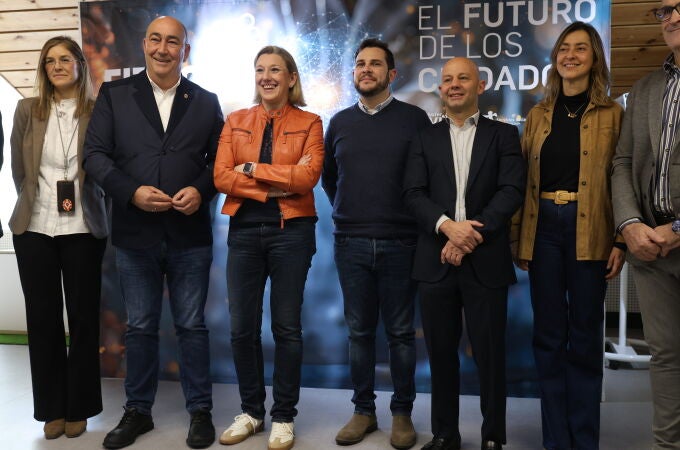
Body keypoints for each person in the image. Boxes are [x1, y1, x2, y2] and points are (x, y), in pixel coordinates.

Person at [83, 16, 224, 450]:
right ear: (144, 45)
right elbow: (94, 155)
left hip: (189, 234)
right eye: (157, 40)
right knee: (141, 326)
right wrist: (131, 193)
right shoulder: (114, 94)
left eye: (174, 42)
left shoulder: (205, 100)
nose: (164, 49)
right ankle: (137, 412)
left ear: (185, 50)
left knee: (192, 326)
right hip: (135, 232)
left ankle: (200, 411)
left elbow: (219, 163)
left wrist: (201, 192)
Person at [403, 57, 525, 450]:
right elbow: (413, 194)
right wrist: (448, 228)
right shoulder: (424, 138)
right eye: (448, 80)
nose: (454, 85)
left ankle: (493, 437)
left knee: (490, 355)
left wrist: (470, 234)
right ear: (441, 89)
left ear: (480, 85)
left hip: (484, 259)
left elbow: (510, 192)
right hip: (435, 260)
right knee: (441, 355)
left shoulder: (504, 135)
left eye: (463, 78)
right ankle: (445, 434)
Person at [513, 22, 625, 450]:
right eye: (563, 48)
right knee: (547, 335)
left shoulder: (614, 114)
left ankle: (584, 438)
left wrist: (619, 239)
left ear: (594, 57)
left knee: (583, 335)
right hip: (543, 230)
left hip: (590, 229)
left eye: (580, 48)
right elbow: (522, 180)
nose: (570, 55)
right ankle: (556, 439)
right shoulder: (538, 114)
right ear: (555, 58)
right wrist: (517, 238)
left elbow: (622, 177)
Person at [322, 38, 431, 450]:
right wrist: (351, 213)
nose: (366, 70)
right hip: (350, 241)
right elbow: (331, 179)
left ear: (391, 74)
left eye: (375, 64)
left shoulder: (415, 120)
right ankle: (363, 411)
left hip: (402, 242)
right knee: (359, 333)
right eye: (360, 64)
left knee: (402, 334)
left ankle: (401, 414)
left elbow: (425, 179)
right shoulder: (339, 123)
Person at [213, 46, 322, 450]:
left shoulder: (311, 122)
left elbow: (307, 177)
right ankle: (252, 412)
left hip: (292, 231)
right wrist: (272, 186)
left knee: (286, 328)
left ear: (291, 78)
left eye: (275, 69)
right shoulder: (236, 120)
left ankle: (283, 416)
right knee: (242, 329)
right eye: (260, 69)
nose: (267, 76)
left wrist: (253, 169)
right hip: (243, 232)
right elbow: (222, 177)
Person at [9, 36, 108, 440]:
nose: (57, 66)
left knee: (83, 321)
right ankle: (50, 409)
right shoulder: (26, 110)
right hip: (34, 229)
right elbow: (19, 170)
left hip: (83, 228)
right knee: (42, 321)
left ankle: (80, 407)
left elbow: (104, 166)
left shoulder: (99, 111)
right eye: (49, 61)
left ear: (80, 65)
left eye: (65, 59)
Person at [612, 2, 680, 448]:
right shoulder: (644, 89)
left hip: (673, 235)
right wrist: (631, 224)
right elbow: (622, 162)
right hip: (651, 249)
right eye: (666, 11)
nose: (672, 17)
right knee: (667, 356)